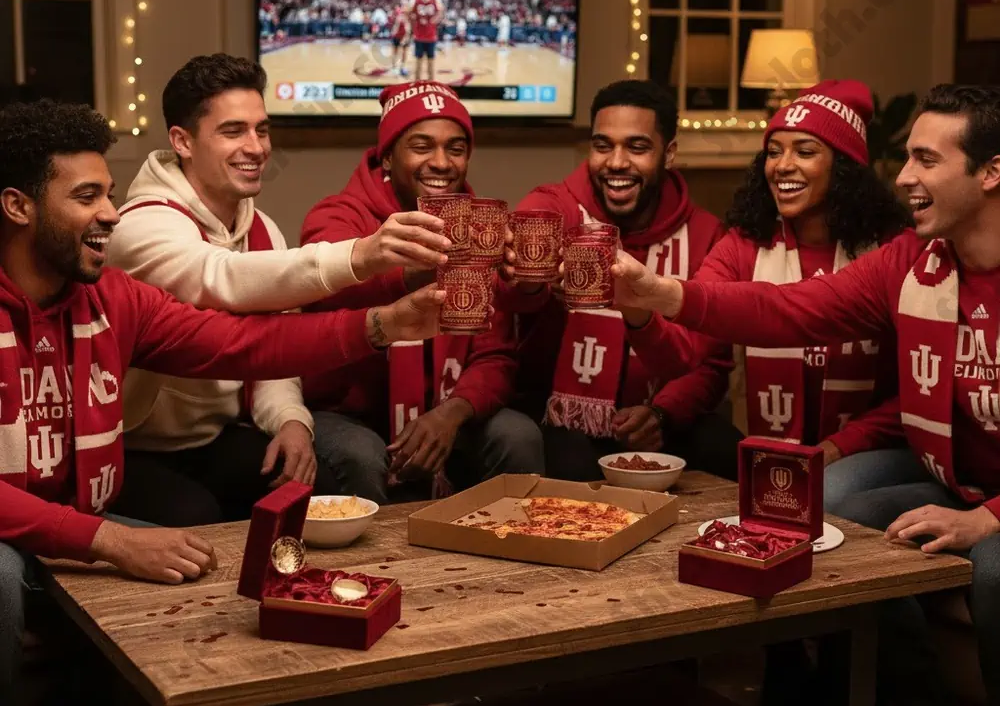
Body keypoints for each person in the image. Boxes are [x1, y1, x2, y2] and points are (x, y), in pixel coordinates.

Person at [0, 99, 443, 706]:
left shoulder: (112, 297)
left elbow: (243, 345)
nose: (111, 212)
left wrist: (378, 325)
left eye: (108, 191)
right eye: (86, 197)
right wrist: (110, 539)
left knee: (196, 558)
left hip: (79, 514)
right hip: (15, 534)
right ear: (18, 207)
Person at [610, 83, 1000, 706]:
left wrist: (987, 520)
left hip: (950, 481)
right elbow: (784, 314)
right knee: (834, 513)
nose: (907, 175)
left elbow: (901, 408)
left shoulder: (895, 246)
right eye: (906, 157)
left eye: (924, 158)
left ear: (990, 172)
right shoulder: (909, 262)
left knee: (991, 571)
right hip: (932, 470)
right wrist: (656, 296)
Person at [107, 54, 451, 527]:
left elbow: (273, 350)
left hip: (219, 436)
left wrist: (292, 422)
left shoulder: (261, 226)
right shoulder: (140, 225)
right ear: (182, 141)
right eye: (233, 131)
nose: (256, 147)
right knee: (198, 515)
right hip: (130, 446)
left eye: (262, 130)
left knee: (321, 497)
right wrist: (362, 255)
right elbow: (222, 277)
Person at [617, 80, 912, 505]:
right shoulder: (743, 245)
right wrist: (639, 311)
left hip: (865, 449)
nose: (782, 166)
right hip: (767, 452)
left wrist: (839, 446)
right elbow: (682, 354)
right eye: (774, 152)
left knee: (827, 495)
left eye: (805, 152)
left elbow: (917, 392)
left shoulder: (890, 250)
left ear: (843, 167)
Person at [300, 81, 544, 503]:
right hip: (353, 414)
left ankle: (511, 556)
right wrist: (415, 272)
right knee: (361, 454)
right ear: (388, 155)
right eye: (421, 146)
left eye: (456, 148)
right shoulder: (336, 214)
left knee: (518, 434)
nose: (441, 162)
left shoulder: (479, 226)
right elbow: (334, 295)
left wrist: (451, 414)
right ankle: (365, 568)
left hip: (445, 405)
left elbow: (496, 356)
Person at [501, 79, 741, 482]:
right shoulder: (555, 206)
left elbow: (712, 362)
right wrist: (525, 276)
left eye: (637, 146)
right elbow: (511, 288)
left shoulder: (707, 235)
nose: (615, 162)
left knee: (733, 457)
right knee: (571, 467)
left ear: (669, 154)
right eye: (602, 145)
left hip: (661, 418)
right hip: (560, 415)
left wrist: (662, 413)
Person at [407, 0, 443, 81]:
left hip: (431, 36)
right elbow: (408, 12)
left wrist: (434, 20)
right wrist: (413, 19)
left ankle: (431, 85)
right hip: (419, 36)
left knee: (431, 64)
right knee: (418, 64)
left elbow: (441, 11)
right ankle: (418, 86)